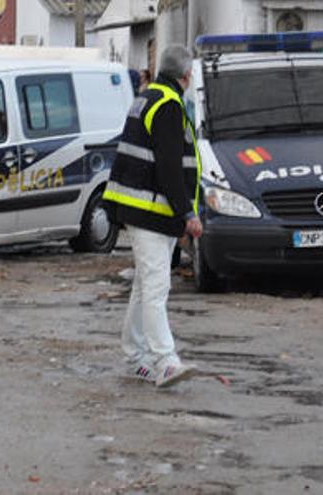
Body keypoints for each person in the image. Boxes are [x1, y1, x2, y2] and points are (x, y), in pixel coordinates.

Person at [102, 45, 203, 388]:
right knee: (157, 286)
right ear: (186, 77)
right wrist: (187, 213)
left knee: (146, 286)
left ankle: (135, 354)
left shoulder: (147, 96)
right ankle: (165, 361)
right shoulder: (169, 106)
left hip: (142, 208)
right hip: (151, 210)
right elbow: (170, 167)